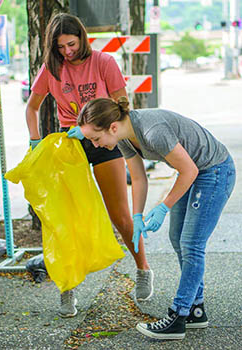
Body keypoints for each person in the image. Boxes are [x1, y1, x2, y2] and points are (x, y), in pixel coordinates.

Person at [25, 13, 153, 318]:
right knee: (65, 221)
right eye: (60, 48)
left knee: (120, 215)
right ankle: (67, 289)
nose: (67, 51)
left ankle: (143, 268)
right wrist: (35, 140)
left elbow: (123, 107)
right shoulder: (52, 69)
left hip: (106, 140)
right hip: (70, 146)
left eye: (71, 44)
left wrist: (96, 127)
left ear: (82, 37)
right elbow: (31, 107)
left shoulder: (104, 62)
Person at [77, 96, 236, 340]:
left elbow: (190, 170)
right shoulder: (125, 138)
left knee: (191, 245)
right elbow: (139, 178)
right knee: (177, 238)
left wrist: (163, 206)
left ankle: (178, 317)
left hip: (214, 170)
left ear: (113, 127)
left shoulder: (152, 131)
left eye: (95, 139)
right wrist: (137, 215)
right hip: (195, 171)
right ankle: (196, 308)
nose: (95, 145)